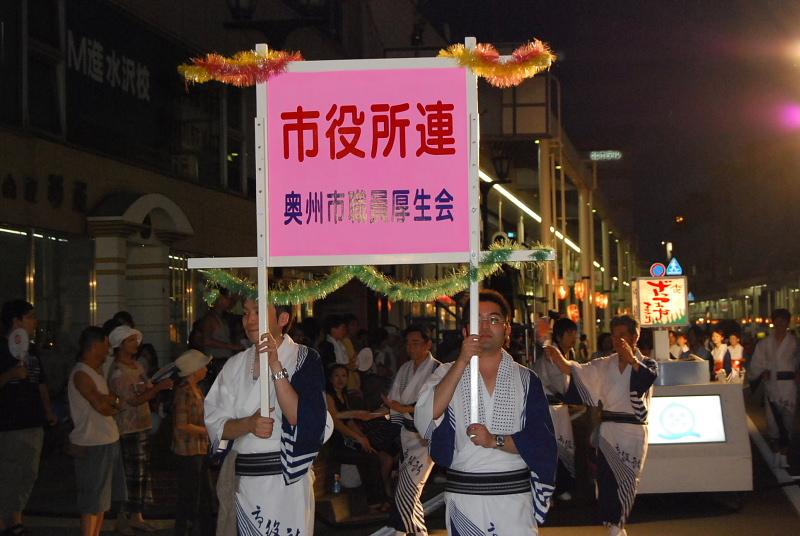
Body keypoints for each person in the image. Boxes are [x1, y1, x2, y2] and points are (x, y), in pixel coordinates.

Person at [415, 289, 557, 535]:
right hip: (465, 497)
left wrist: (495, 440)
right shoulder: (446, 372)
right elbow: (424, 418)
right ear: (464, 331)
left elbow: (541, 441)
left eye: (494, 319)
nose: (485, 326)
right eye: (476, 320)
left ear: (507, 329)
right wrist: (461, 361)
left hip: (514, 499)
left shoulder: (526, 379)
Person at [204, 298, 330, 535]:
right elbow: (215, 424)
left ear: (283, 319)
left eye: (258, 312)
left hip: (287, 483)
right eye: (245, 313)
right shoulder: (234, 365)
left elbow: (302, 420)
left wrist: (275, 365)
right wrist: (247, 424)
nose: (249, 320)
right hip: (245, 481)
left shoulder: (303, 358)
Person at [545, 315, 658, 536]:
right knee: (606, 479)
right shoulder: (605, 364)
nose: (617, 340)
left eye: (623, 335)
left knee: (627, 479)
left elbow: (645, 378)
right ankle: (614, 528)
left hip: (633, 430)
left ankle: (618, 526)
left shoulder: (647, 364)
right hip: (609, 428)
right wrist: (557, 356)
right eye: (614, 335)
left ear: (636, 336)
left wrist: (633, 361)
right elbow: (574, 369)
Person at [108, 325, 173, 534]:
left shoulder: (135, 365)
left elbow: (144, 388)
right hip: (128, 427)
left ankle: (136, 515)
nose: (135, 344)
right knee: (130, 474)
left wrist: (152, 387)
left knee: (141, 474)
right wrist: (157, 389)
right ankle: (124, 517)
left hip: (141, 424)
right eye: (130, 341)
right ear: (120, 345)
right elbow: (134, 400)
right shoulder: (118, 370)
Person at [0, 300, 56, 536]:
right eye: (30, 317)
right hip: (9, 422)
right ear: (16, 320)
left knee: (28, 473)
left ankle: (16, 517)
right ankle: (6, 521)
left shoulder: (31, 350)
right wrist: (10, 374)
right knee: (9, 472)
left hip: (33, 420)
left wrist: (48, 411)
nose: (35, 322)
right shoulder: (1, 348)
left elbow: (40, 382)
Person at [68, 326, 127, 536]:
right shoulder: (82, 374)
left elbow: (113, 401)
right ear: (95, 346)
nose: (108, 350)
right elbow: (102, 406)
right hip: (92, 443)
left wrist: (111, 402)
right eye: (106, 344)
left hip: (106, 441)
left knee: (101, 501)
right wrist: (111, 402)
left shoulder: (95, 373)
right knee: (92, 500)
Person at [382, 324, 441, 535]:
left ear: (428, 344)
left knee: (408, 489)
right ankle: (417, 532)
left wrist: (403, 408)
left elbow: (436, 404)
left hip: (425, 437)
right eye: (408, 344)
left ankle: (404, 530)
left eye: (416, 343)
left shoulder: (438, 369)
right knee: (407, 490)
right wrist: (390, 409)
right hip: (406, 435)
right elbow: (394, 398)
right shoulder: (405, 368)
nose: (411, 348)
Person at [325, 364, 390, 511]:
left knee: (373, 454)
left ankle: (381, 499)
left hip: (348, 442)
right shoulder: (328, 396)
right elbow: (336, 422)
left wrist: (363, 437)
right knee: (368, 458)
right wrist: (358, 438)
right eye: (336, 375)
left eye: (344, 376)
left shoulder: (345, 396)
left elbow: (349, 421)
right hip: (336, 445)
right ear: (330, 378)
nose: (340, 379)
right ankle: (374, 501)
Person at [532, 318, 576, 503]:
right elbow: (560, 384)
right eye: (570, 334)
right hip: (550, 408)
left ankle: (555, 488)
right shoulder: (553, 355)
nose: (574, 338)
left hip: (556, 408)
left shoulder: (558, 353)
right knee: (553, 449)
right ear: (560, 335)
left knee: (558, 449)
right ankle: (554, 489)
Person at [750, 309, 799, 468]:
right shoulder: (765, 343)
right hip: (772, 385)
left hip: (789, 386)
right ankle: (776, 452)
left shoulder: (795, 342)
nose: (780, 324)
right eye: (777, 321)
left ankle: (784, 453)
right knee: (772, 422)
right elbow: (757, 363)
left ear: (787, 322)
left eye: (783, 321)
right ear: (773, 322)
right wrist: (761, 371)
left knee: (788, 421)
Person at [172, 349, 214, 536]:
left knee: (201, 494)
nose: (206, 369)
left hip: (197, 448)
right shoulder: (185, 392)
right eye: (203, 366)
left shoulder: (195, 389)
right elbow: (181, 425)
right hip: (188, 450)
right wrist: (206, 430)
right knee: (191, 495)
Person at [201, 289, 244, 381]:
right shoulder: (210, 319)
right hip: (216, 362)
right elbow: (206, 340)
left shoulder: (222, 317)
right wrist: (231, 346)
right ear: (220, 300)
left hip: (223, 360)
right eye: (227, 299)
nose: (229, 301)